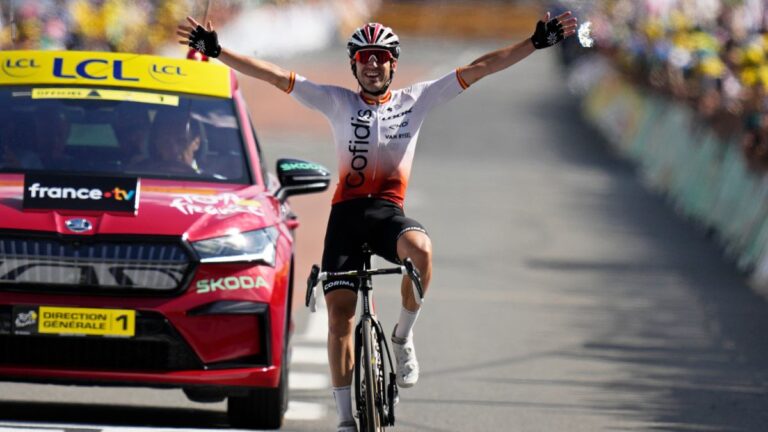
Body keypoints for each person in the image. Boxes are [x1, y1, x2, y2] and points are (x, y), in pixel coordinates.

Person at [179, 11, 577, 431]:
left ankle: (403, 338)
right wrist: (218, 51)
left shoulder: (416, 100)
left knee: (422, 250)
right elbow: (277, 76)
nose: (373, 64)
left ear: (393, 64)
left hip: (388, 214)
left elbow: (480, 69)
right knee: (339, 318)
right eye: (364, 57)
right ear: (354, 65)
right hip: (345, 220)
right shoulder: (336, 101)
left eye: (381, 56)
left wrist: (533, 43)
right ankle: (347, 420)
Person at [129, 109, 202, 175]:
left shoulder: (210, 179)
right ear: (157, 144)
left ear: (196, 143)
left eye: (181, 141)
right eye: (166, 142)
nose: (174, 150)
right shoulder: (139, 174)